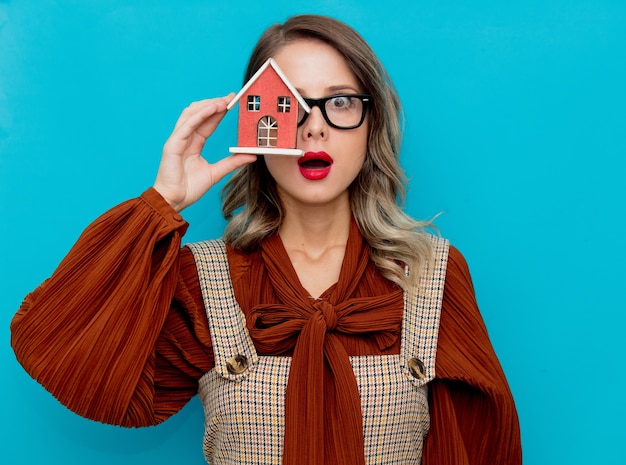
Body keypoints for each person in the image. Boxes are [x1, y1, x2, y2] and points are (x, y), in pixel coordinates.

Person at [10, 14, 522, 465]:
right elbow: (69, 361)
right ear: (257, 124)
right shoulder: (202, 280)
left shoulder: (432, 273)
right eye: (290, 104)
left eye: (340, 103)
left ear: (371, 124)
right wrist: (161, 203)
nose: (314, 128)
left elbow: (475, 448)